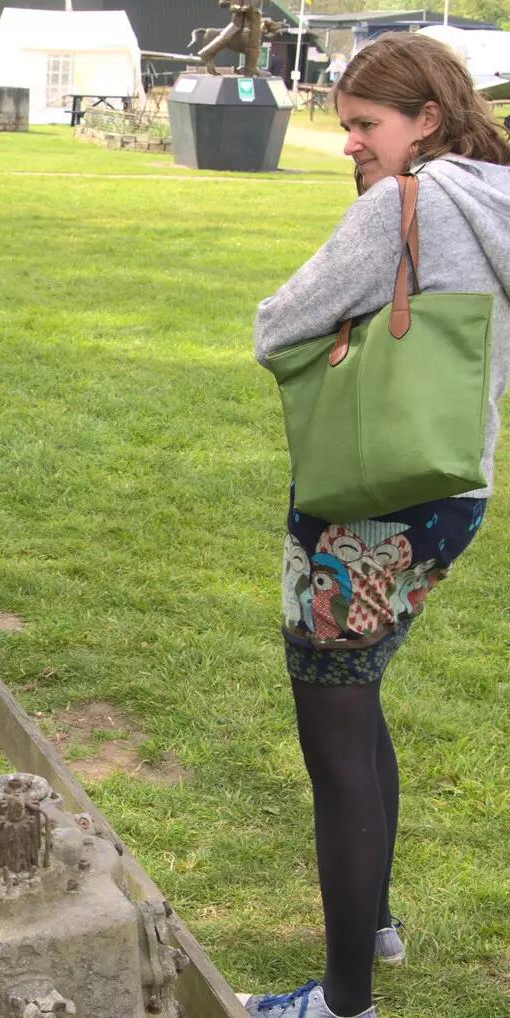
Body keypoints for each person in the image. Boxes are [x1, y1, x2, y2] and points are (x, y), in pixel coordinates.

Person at [245, 33, 510, 1018]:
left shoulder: (409, 203)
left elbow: (276, 325)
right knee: (362, 697)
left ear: (426, 120)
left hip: (362, 503)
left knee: (334, 739)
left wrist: (369, 232)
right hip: (450, 493)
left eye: (365, 125)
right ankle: (378, 923)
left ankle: (340, 1002)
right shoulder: (496, 197)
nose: (349, 142)